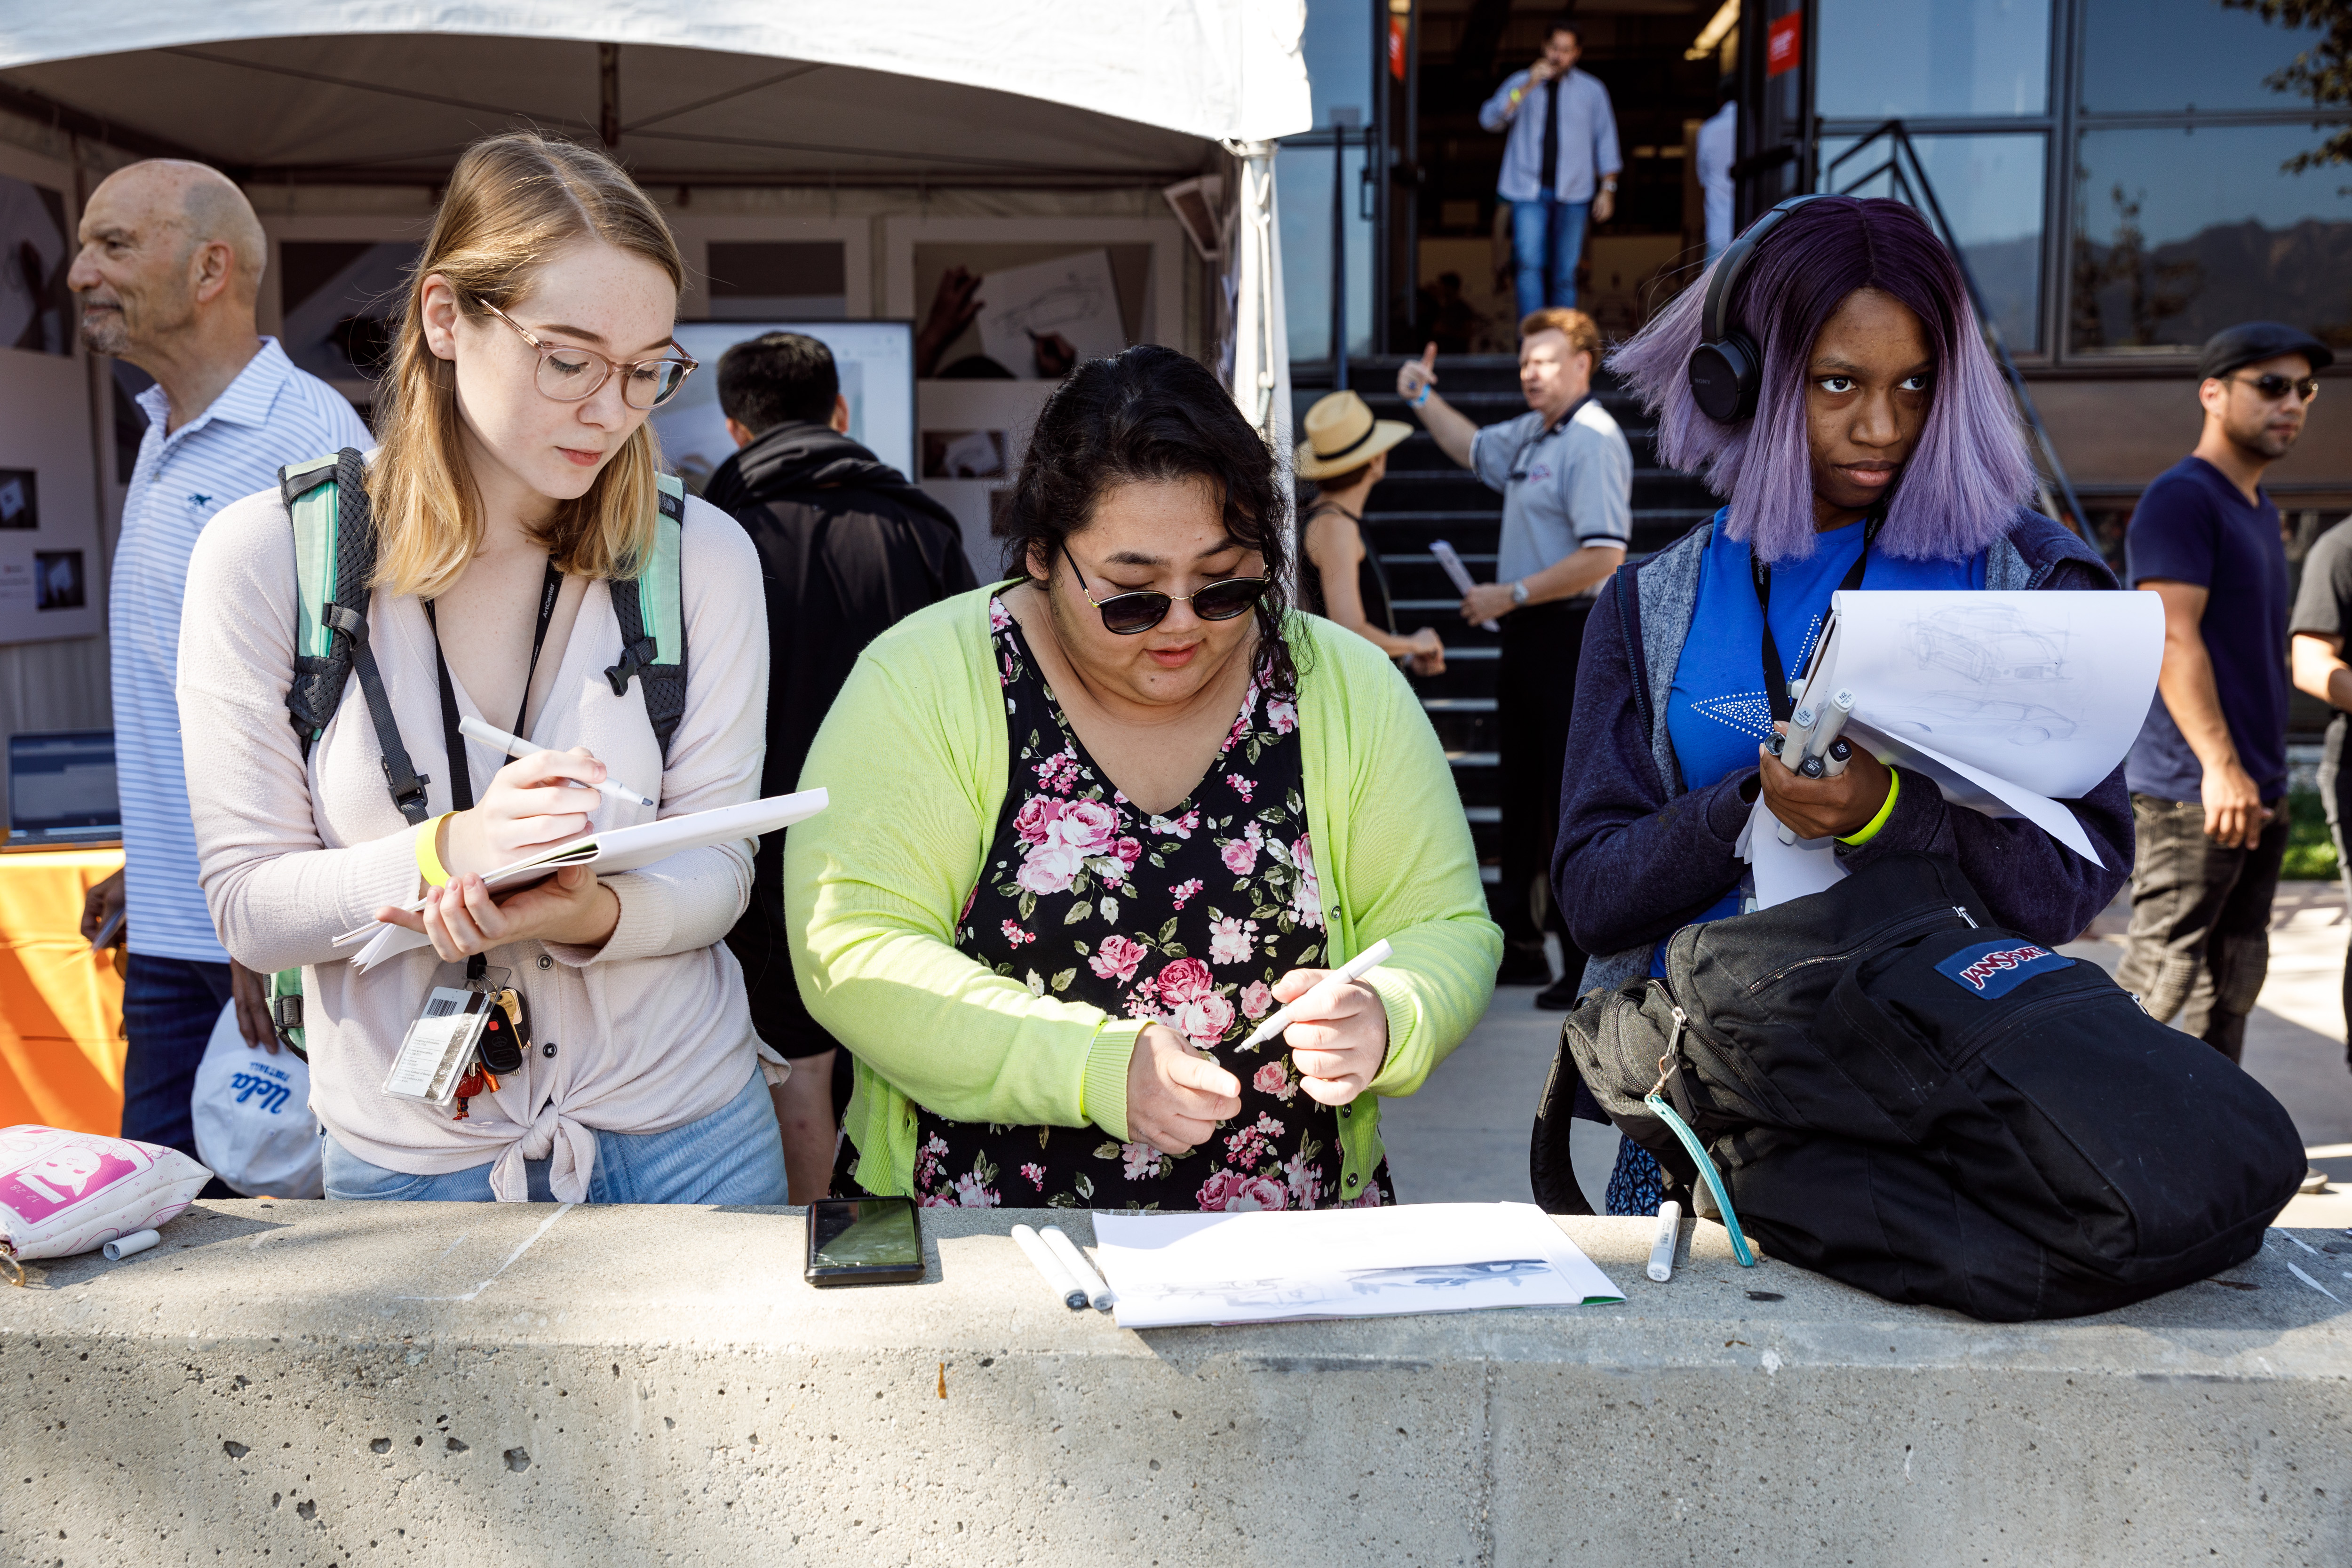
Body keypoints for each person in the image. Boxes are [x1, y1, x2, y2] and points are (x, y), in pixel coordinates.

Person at [175, 132, 786, 1205]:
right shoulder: (267, 556)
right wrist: (451, 850)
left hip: (690, 1131)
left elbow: (722, 874)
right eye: (570, 359)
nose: (613, 410)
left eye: (650, 370)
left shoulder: (703, 555)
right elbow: (249, 908)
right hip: (415, 1155)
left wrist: (578, 911)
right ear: (445, 316)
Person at [785, 345, 1500, 1210]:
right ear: (1043, 556)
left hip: (1290, 1246)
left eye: (1225, 588)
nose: (1180, 626)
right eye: (1132, 596)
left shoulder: (1342, 688)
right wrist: (1093, 1068)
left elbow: (1443, 921)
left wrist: (1392, 1013)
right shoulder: (924, 680)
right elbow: (854, 947)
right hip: (985, 1250)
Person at [1562, 194, 2131, 1215]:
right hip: (1697, 1122)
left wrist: (1887, 816)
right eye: (1837, 384)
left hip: (1947, 1122)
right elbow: (1593, 893)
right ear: (1738, 383)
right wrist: (1749, 806)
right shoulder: (1648, 604)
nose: (1883, 427)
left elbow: (2074, 878)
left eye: (1917, 385)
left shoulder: (2033, 584)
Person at [66, 159, 369, 1186]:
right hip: (177, 925)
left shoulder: (310, 440)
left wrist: (276, 921)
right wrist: (149, 858)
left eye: (112, 244)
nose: (77, 272)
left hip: (257, 948)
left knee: (257, 1253)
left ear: (210, 269)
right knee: (148, 1232)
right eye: (81, 246)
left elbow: (345, 700)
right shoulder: (166, 430)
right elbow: (187, 688)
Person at [702, 329, 978, 1203]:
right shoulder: (924, 527)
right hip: (915, 837)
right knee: (907, 1035)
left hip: (767, 845)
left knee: (798, 1067)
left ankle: (825, 1256)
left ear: (736, 430)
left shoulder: (715, 539)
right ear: (841, 411)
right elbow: (981, 689)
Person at [1396, 310, 1632, 1005]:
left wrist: (1513, 593)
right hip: (1528, 633)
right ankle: (1525, 948)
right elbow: (1470, 447)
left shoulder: (1592, 441)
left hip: (1569, 631)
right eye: (1526, 361)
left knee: (1565, 794)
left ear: (1584, 365)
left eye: (1548, 361)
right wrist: (1419, 397)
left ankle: (1581, 958)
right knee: (1524, 793)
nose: (1532, 372)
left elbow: (1606, 554)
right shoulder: (1534, 431)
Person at [2122, 321, 2330, 1063]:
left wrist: (2256, 773)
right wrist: (2220, 765)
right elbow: (2171, 637)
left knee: (2234, 974)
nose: (2294, 403)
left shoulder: (2258, 508)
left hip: (2255, 784)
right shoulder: (2183, 499)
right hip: (2194, 791)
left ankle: (2213, 1161)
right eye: (2271, 386)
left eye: (2304, 389)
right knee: (2163, 978)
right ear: (2213, 393)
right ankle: (2107, 1155)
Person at [1478, 15, 1621, 319]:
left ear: (1577, 53)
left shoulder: (1593, 91)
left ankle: (1561, 346)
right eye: (1554, 48)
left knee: (1565, 273)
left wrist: (1607, 190)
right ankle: (1532, 343)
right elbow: (1490, 119)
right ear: (1544, 47)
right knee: (1528, 264)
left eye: (1566, 50)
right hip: (1527, 192)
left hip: (1575, 193)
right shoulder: (1521, 82)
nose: (1559, 56)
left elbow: (1607, 144)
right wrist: (1528, 85)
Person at [1292, 390, 1444, 676]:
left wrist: (1406, 657)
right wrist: (1412, 644)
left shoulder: (1330, 519)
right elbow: (1349, 630)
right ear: (1375, 460)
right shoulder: (1335, 526)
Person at [1695, 83, 1737, 259]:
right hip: (1756, 230)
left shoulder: (1708, 130)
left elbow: (1702, 178)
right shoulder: (1759, 127)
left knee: (1713, 286)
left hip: (1718, 231)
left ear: (1719, 100)